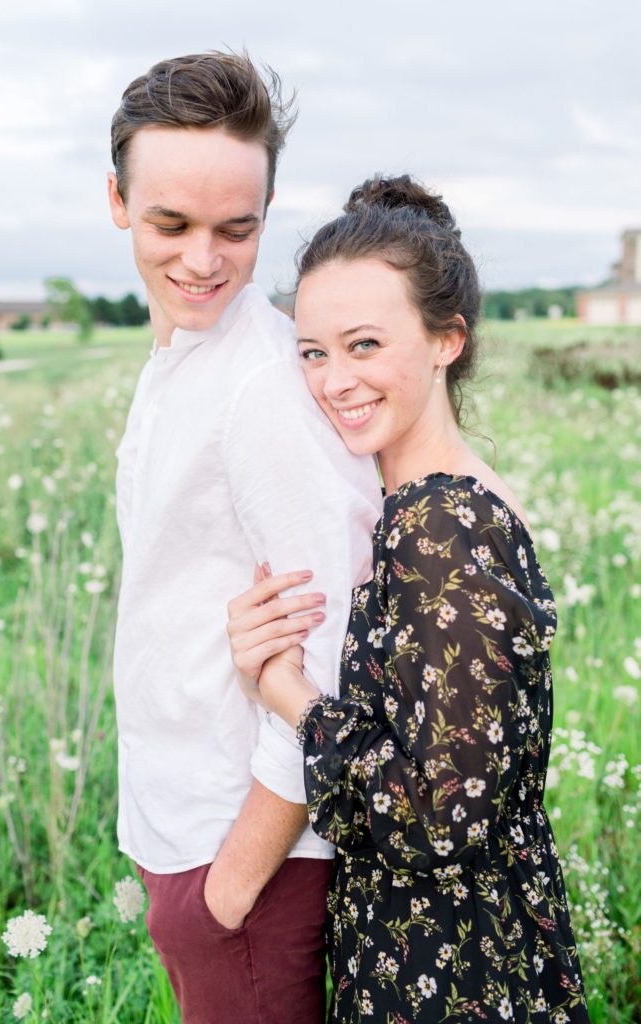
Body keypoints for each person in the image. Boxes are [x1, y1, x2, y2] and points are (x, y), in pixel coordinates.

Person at [227, 176, 590, 1023]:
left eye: (363, 345)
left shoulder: (443, 526)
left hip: (452, 968)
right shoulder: (422, 508)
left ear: (445, 341)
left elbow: (440, 816)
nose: (333, 380)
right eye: (313, 351)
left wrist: (287, 694)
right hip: (448, 946)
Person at [107, 52, 382, 1023]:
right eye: (169, 224)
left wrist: (231, 883)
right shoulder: (179, 357)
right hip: (179, 825)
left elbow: (334, 639)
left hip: (247, 857)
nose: (202, 260)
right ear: (116, 202)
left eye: (238, 228)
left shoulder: (262, 385)